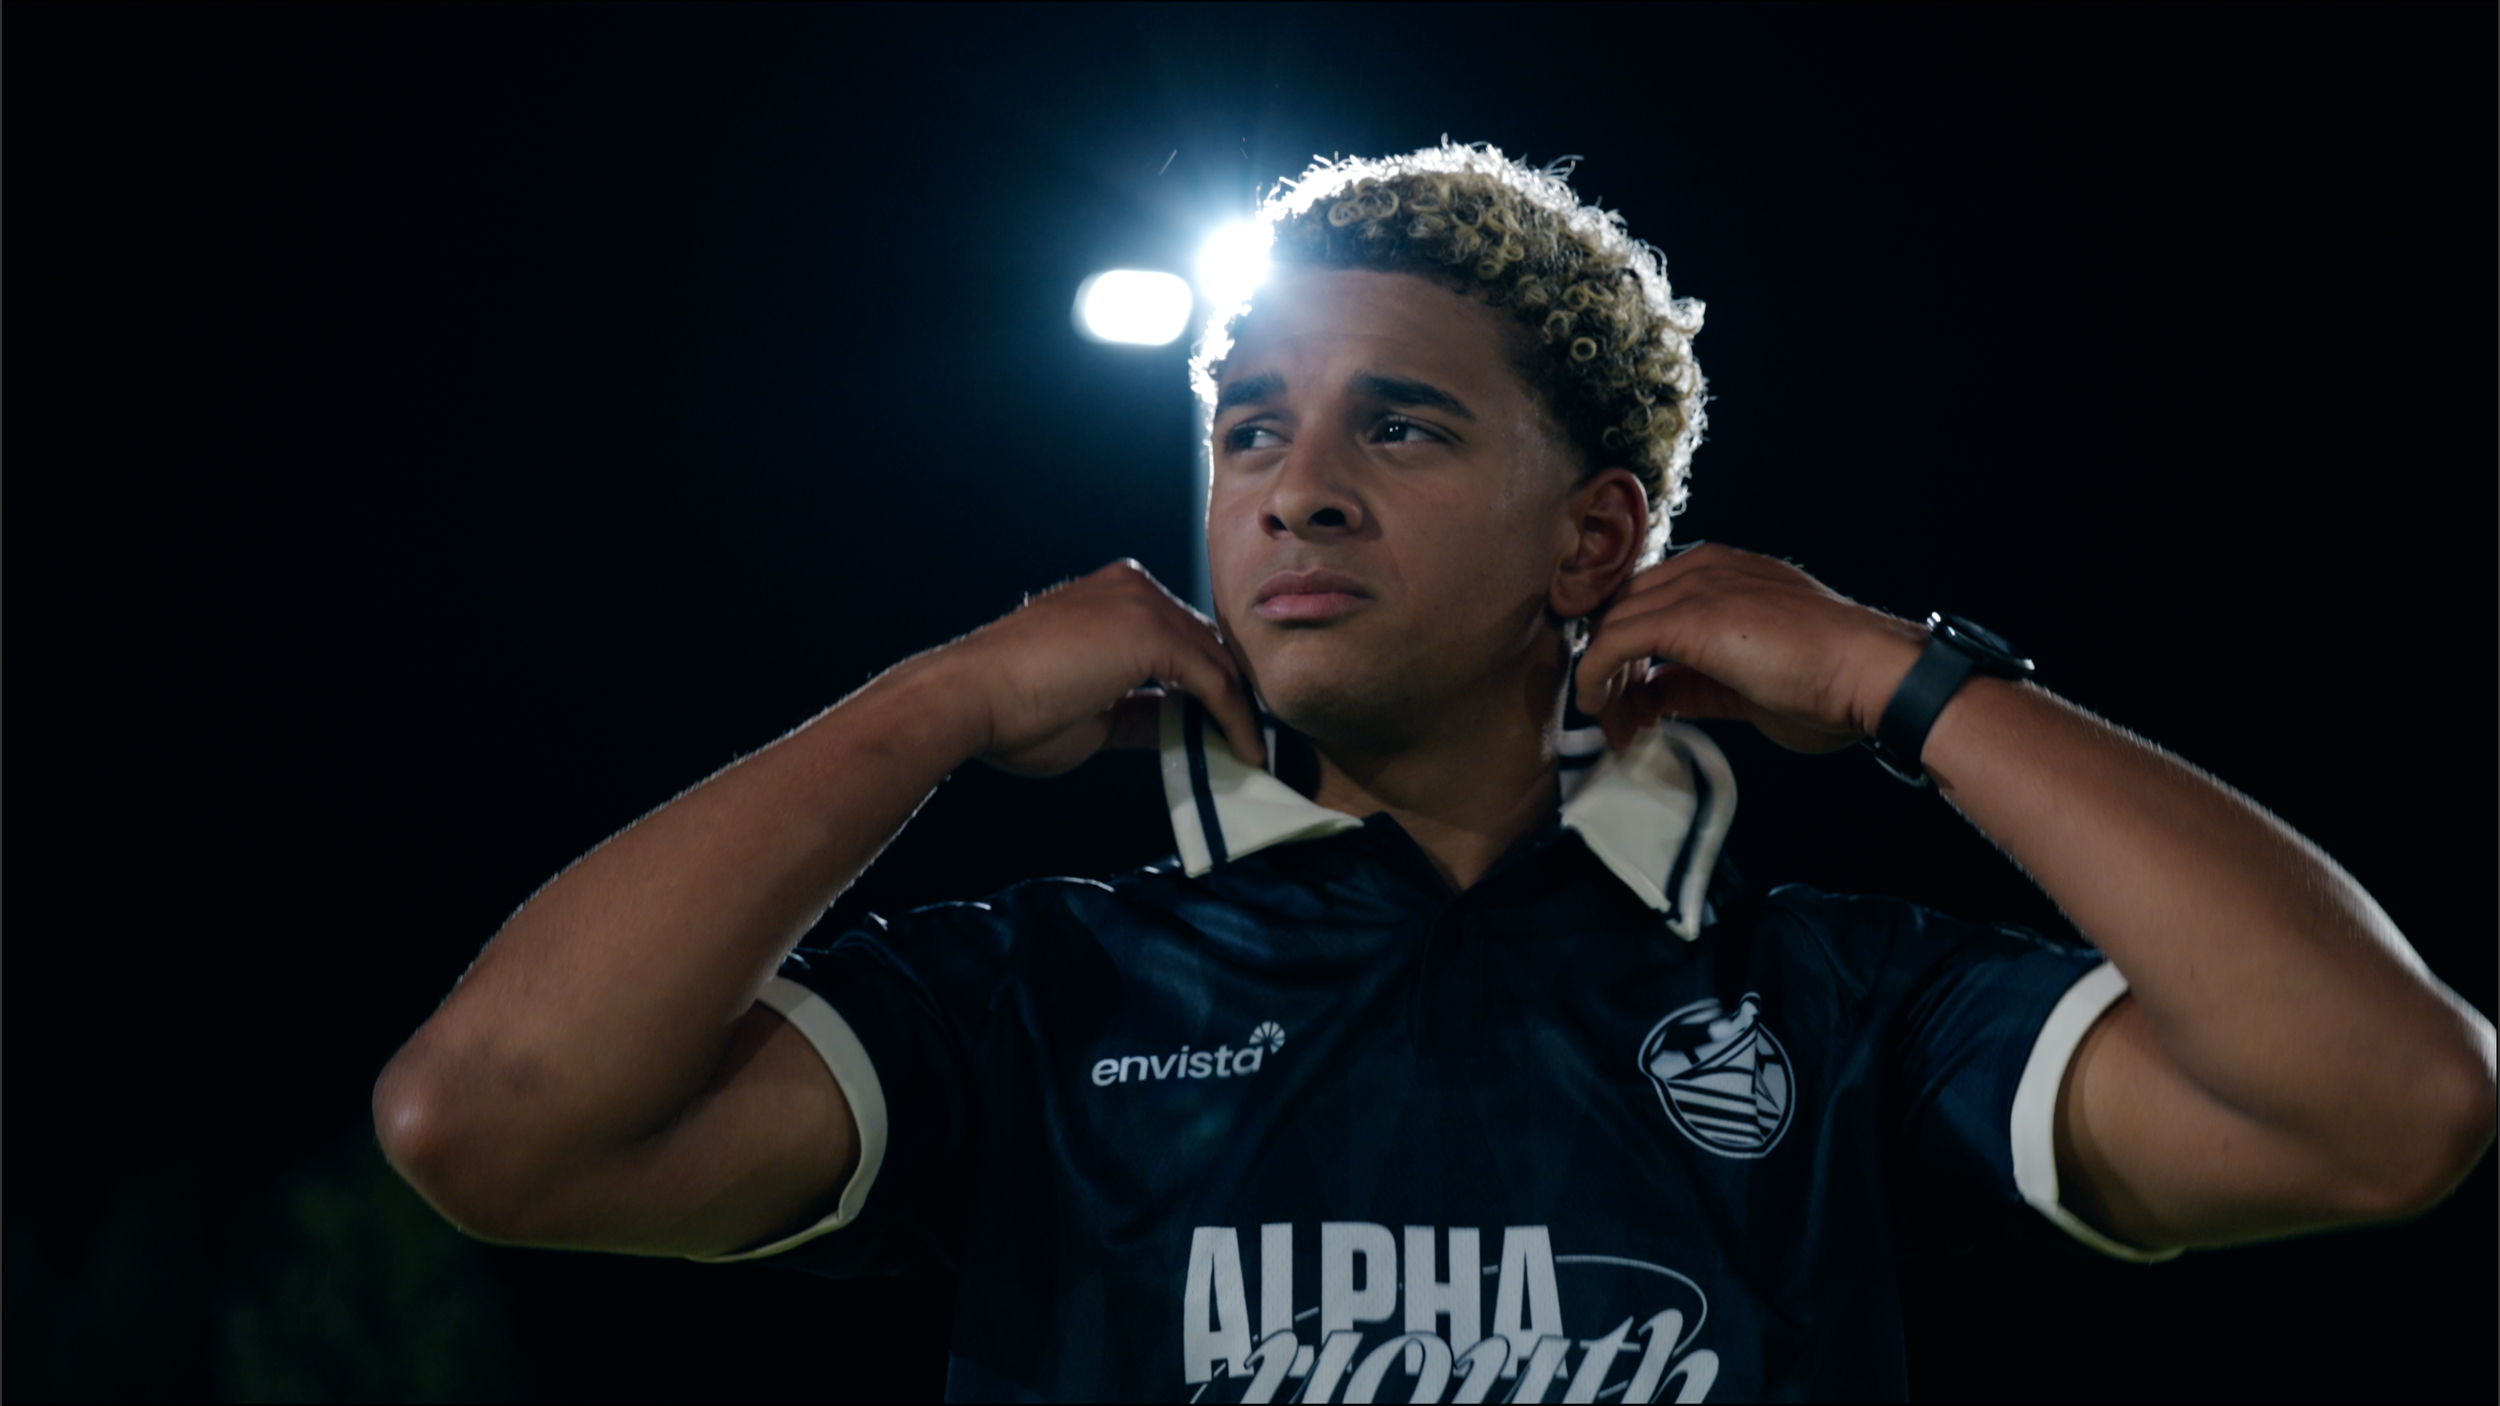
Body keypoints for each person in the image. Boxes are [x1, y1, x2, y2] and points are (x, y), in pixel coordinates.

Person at [372, 142, 2494, 1402]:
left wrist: (1891, 676)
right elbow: (489, 1123)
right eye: (1245, 429)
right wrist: (928, 704)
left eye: (1395, 425)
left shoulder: (1829, 1005)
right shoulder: (1040, 995)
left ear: (1592, 538)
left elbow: (2384, 1101)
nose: (1291, 489)